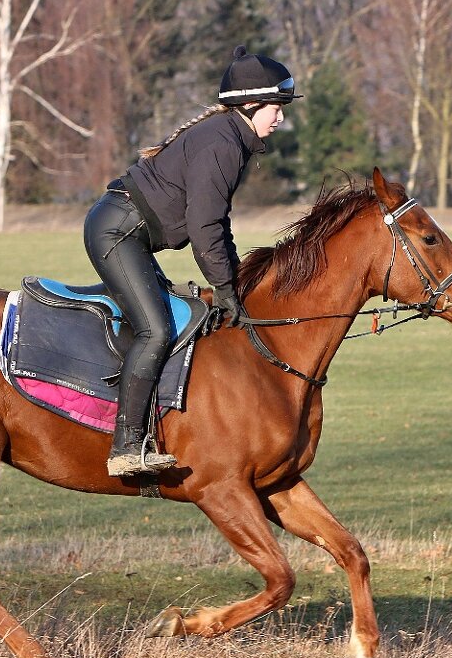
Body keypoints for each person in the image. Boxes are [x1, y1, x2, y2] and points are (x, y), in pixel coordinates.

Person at [84, 45, 300, 477]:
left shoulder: (229, 137)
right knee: (156, 328)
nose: (280, 118)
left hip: (130, 233)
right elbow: (204, 227)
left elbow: (217, 224)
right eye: (275, 108)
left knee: (184, 316)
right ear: (251, 104)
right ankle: (126, 447)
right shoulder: (223, 143)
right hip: (117, 232)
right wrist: (225, 287)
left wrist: (233, 283)